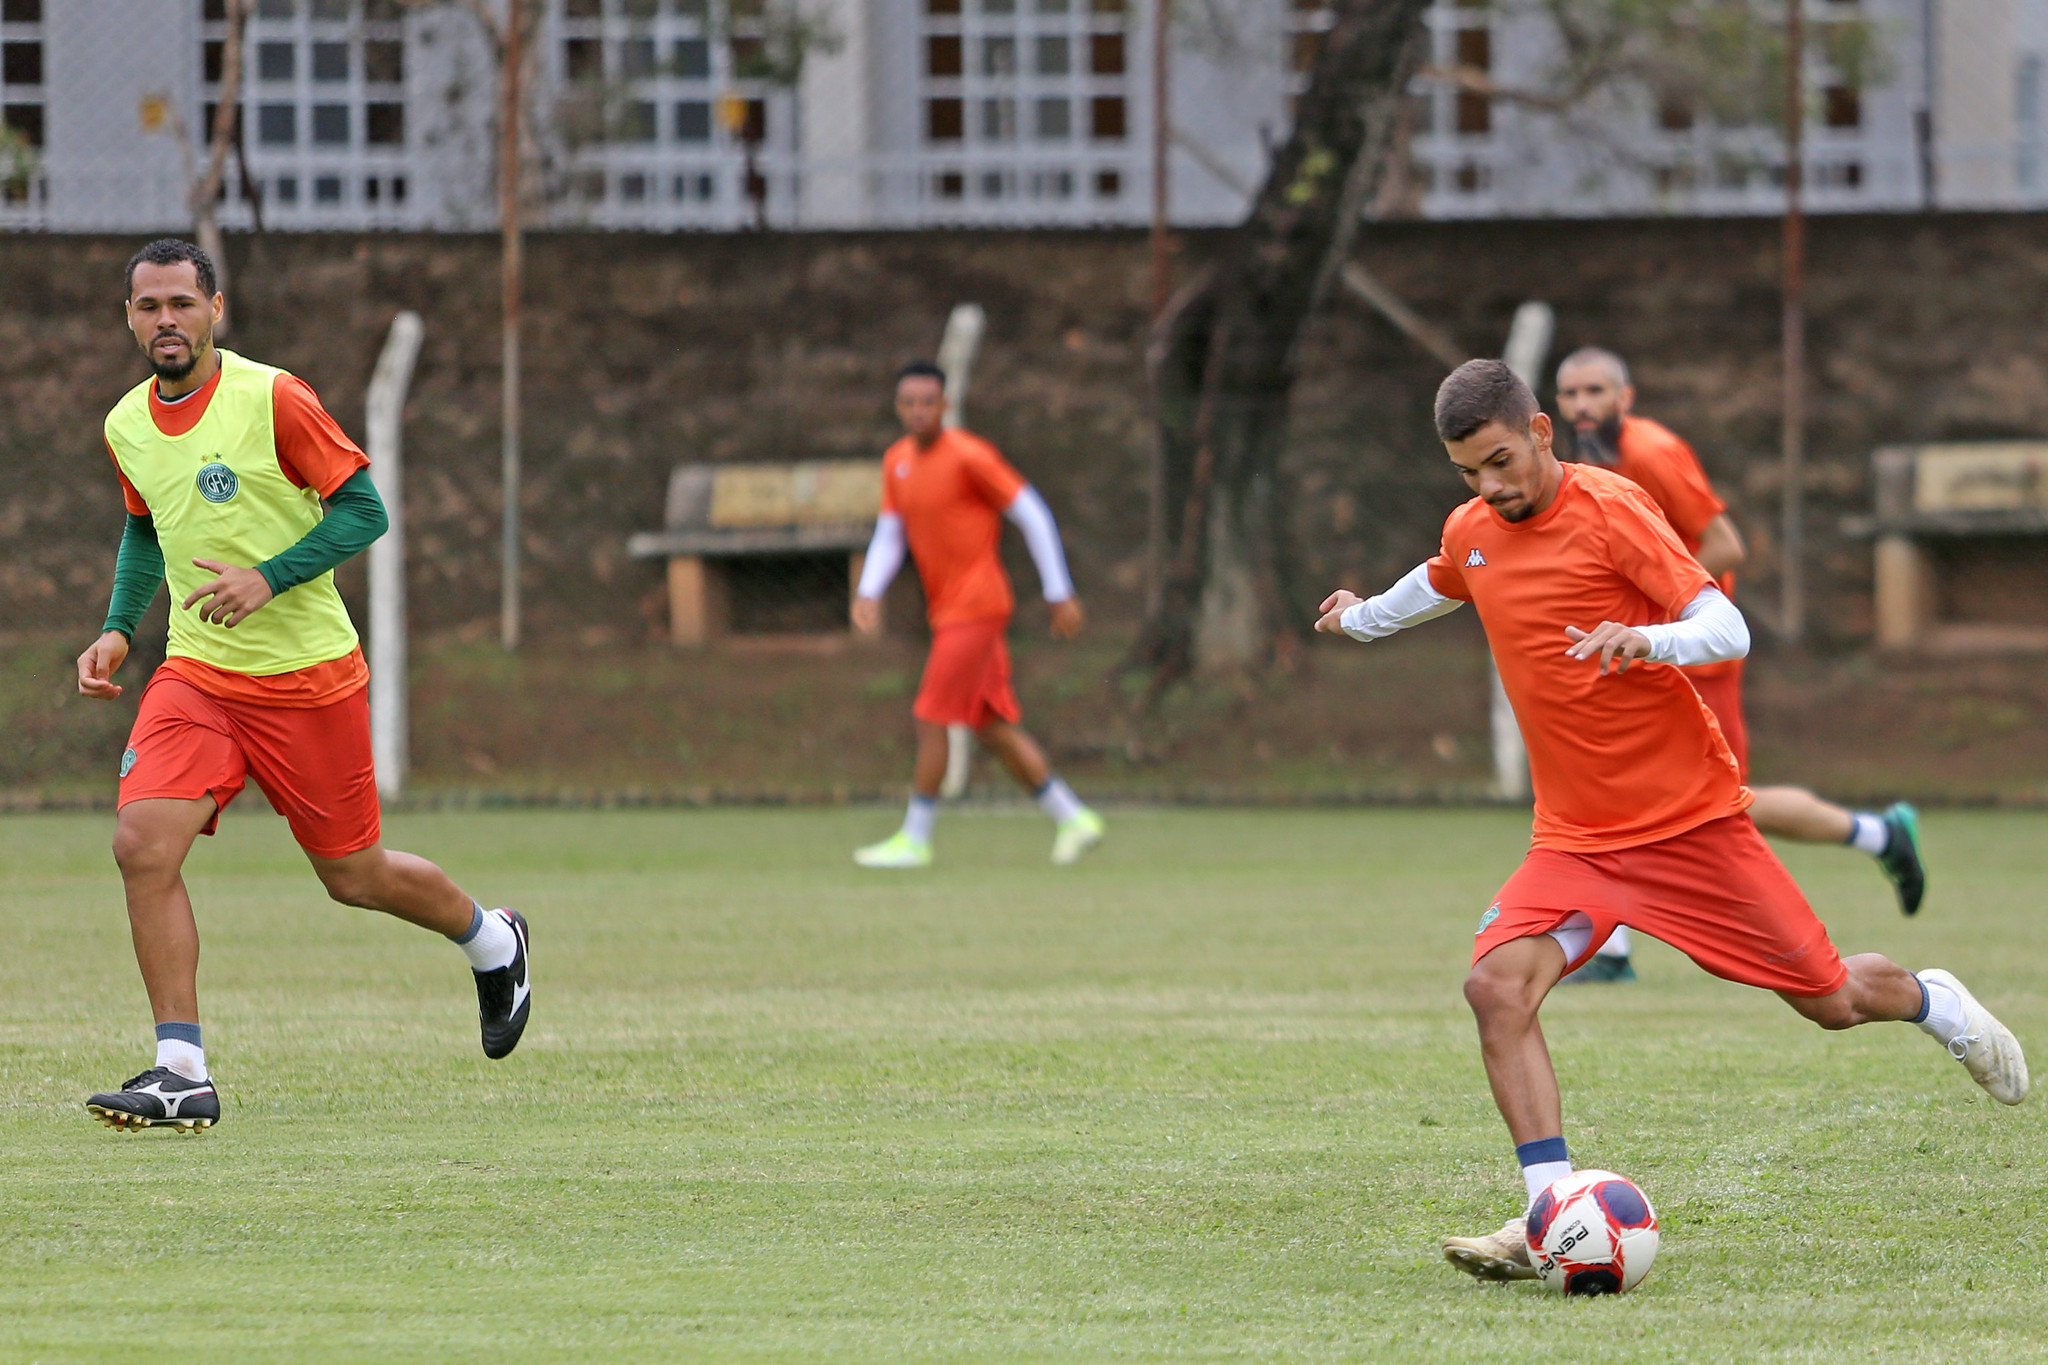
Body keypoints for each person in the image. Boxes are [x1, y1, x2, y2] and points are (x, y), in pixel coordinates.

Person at [1314, 360, 2026, 1283]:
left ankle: (1937, 1001)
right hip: (1574, 838)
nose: (1490, 488)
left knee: (1831, 1001)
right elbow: (1445, 575)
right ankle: (1550, 1211)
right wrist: (1363, 617)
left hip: (1688, 826)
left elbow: (1725, 627)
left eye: (1500, 462)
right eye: (1467, 473)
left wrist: (1647, 638)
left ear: (1539, 434)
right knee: (1496, 990)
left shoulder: (1612, 508)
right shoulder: (1475, 529)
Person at [74, 238, 531, 1132]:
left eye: (181, 303)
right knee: (142, 843)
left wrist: (267, 576)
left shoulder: (273, 397)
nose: (166, 321)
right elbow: (144, 529)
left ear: (217, 310)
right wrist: (120, 629)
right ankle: (181, 1068)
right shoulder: (126, 423)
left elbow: (366, 509)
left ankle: (491, 937)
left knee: (354, 876)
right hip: (199, 675)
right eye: (147, 307)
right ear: (128, 318)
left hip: (308, 679)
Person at [1549, 346, 1925, 987]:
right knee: (1622, 784)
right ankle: (1610, 952)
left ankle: (1878, 835)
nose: (1583, 405)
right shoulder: (1586, 459)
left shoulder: (1651, 452)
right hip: (1646, 645)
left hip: (1691, 654)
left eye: (1596, 392)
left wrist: (1670, 627)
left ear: (1626, 397)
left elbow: (1726, 547)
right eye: (1570, 394)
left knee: (1726, 805)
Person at [850, 361, 1104, 868]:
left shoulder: (970, 456)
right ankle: (1073, 817)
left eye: (929, 402)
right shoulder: (897, 462)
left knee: (930, 717)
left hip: (978, 606)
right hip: (948, 611)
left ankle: (915, 839)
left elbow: (1031, 512)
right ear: (898, 408)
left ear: (945, 406)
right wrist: (869, 590)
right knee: (989, 725)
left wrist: (1059, 591)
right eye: (909, 402)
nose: (919, 411)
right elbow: (890, 532)